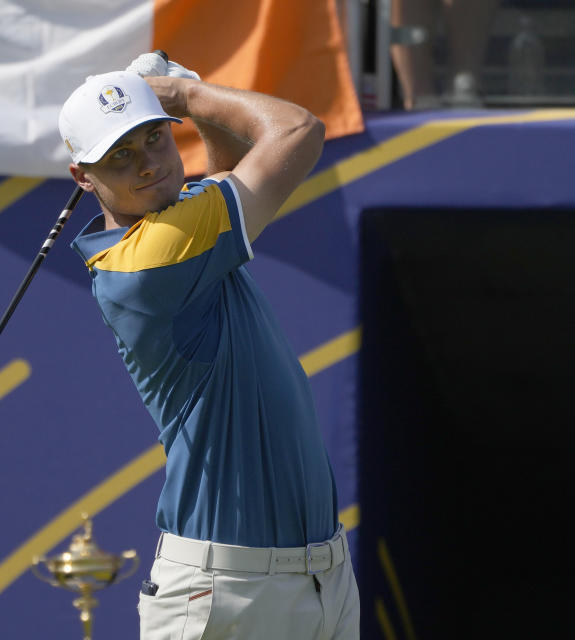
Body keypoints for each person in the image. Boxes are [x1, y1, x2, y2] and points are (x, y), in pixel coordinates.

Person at [59, 55, 359, 639]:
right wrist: (183, 96)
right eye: (120, 155)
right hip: (227, 593)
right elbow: (298, 130)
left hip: (321, 577)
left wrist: (186, 101)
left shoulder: (187, 231)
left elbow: (225, 174)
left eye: (153, 139)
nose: (147, 164)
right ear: (83, 177)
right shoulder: (153, 256)